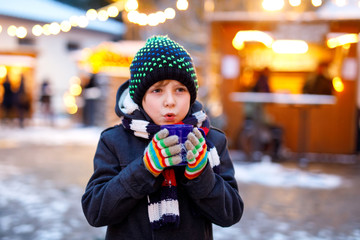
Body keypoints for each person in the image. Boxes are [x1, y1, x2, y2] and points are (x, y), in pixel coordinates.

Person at [81, 35, 243, 239]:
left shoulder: (212, 141)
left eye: (180, 90)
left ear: (191, 95)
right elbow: (95, 212)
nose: (170, 101)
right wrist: (145, 168)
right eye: (157, 90)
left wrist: (201, 175)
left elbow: (231, 213)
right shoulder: (114, 141)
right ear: (141, 97)